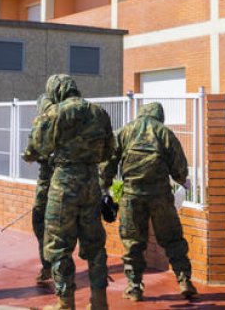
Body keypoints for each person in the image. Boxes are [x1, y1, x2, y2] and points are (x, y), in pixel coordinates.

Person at [101, 102, 198, 301]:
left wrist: (105, 186)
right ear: (159, 115)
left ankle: (134, 286)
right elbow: (179, 165)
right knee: (172, 239)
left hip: (131, 196)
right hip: (160, 196)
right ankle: (184, 280)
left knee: (133, 242)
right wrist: (181, 180)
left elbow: (108, 160)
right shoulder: (164, 133)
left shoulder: (125, 131)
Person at [38, 75, 115, 310]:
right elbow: (108, 151)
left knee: (59, 245)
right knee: (95, 244)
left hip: (63, 185)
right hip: (91, 184)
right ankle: (99, 301)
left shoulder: (54, 113)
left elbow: (36, 148)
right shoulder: (99, 112)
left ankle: (65, 302)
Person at [21, 74, 65, 286]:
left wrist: (30, 154)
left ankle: (52, 268)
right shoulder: (71, 114)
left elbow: (31, 151)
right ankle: (52, 267)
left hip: (51, 180)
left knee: (43, 221)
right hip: (73, 180)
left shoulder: (46, 119)